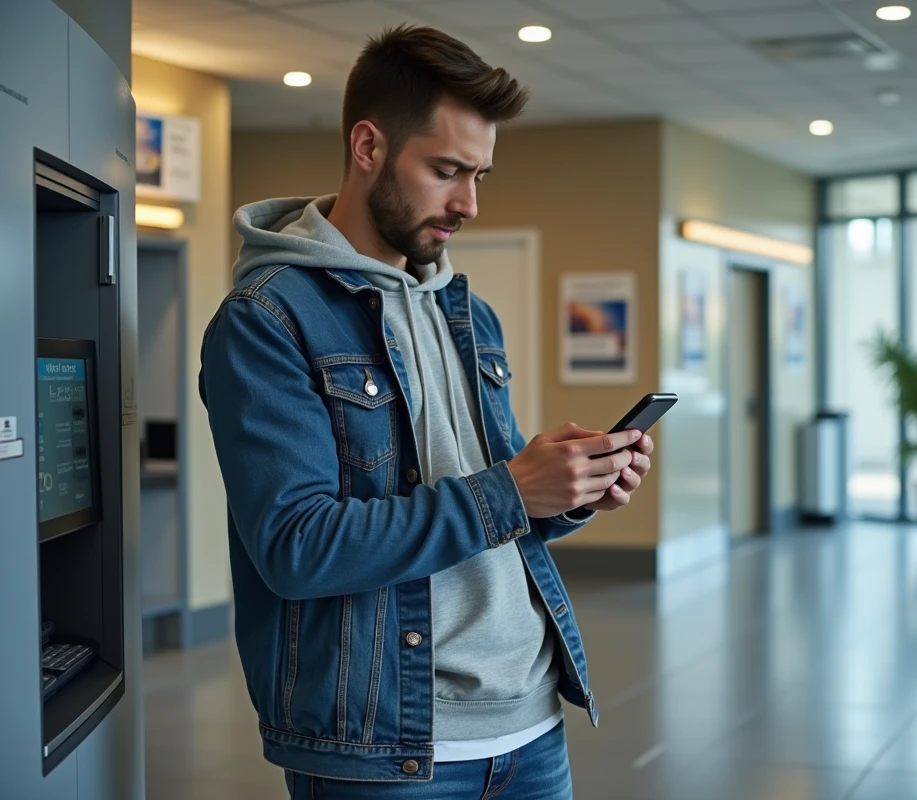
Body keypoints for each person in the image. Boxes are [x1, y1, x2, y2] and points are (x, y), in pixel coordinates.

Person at [199, 24, 654, 799]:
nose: (469, 202)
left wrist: (568, 491)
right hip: (389, 749)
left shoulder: (463, 311)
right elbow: (297, 547)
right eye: (446, 170)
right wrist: (513, 490)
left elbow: (489, 505)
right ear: (368, 146)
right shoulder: (266, 319)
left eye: (479, 174)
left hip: (533, 725)